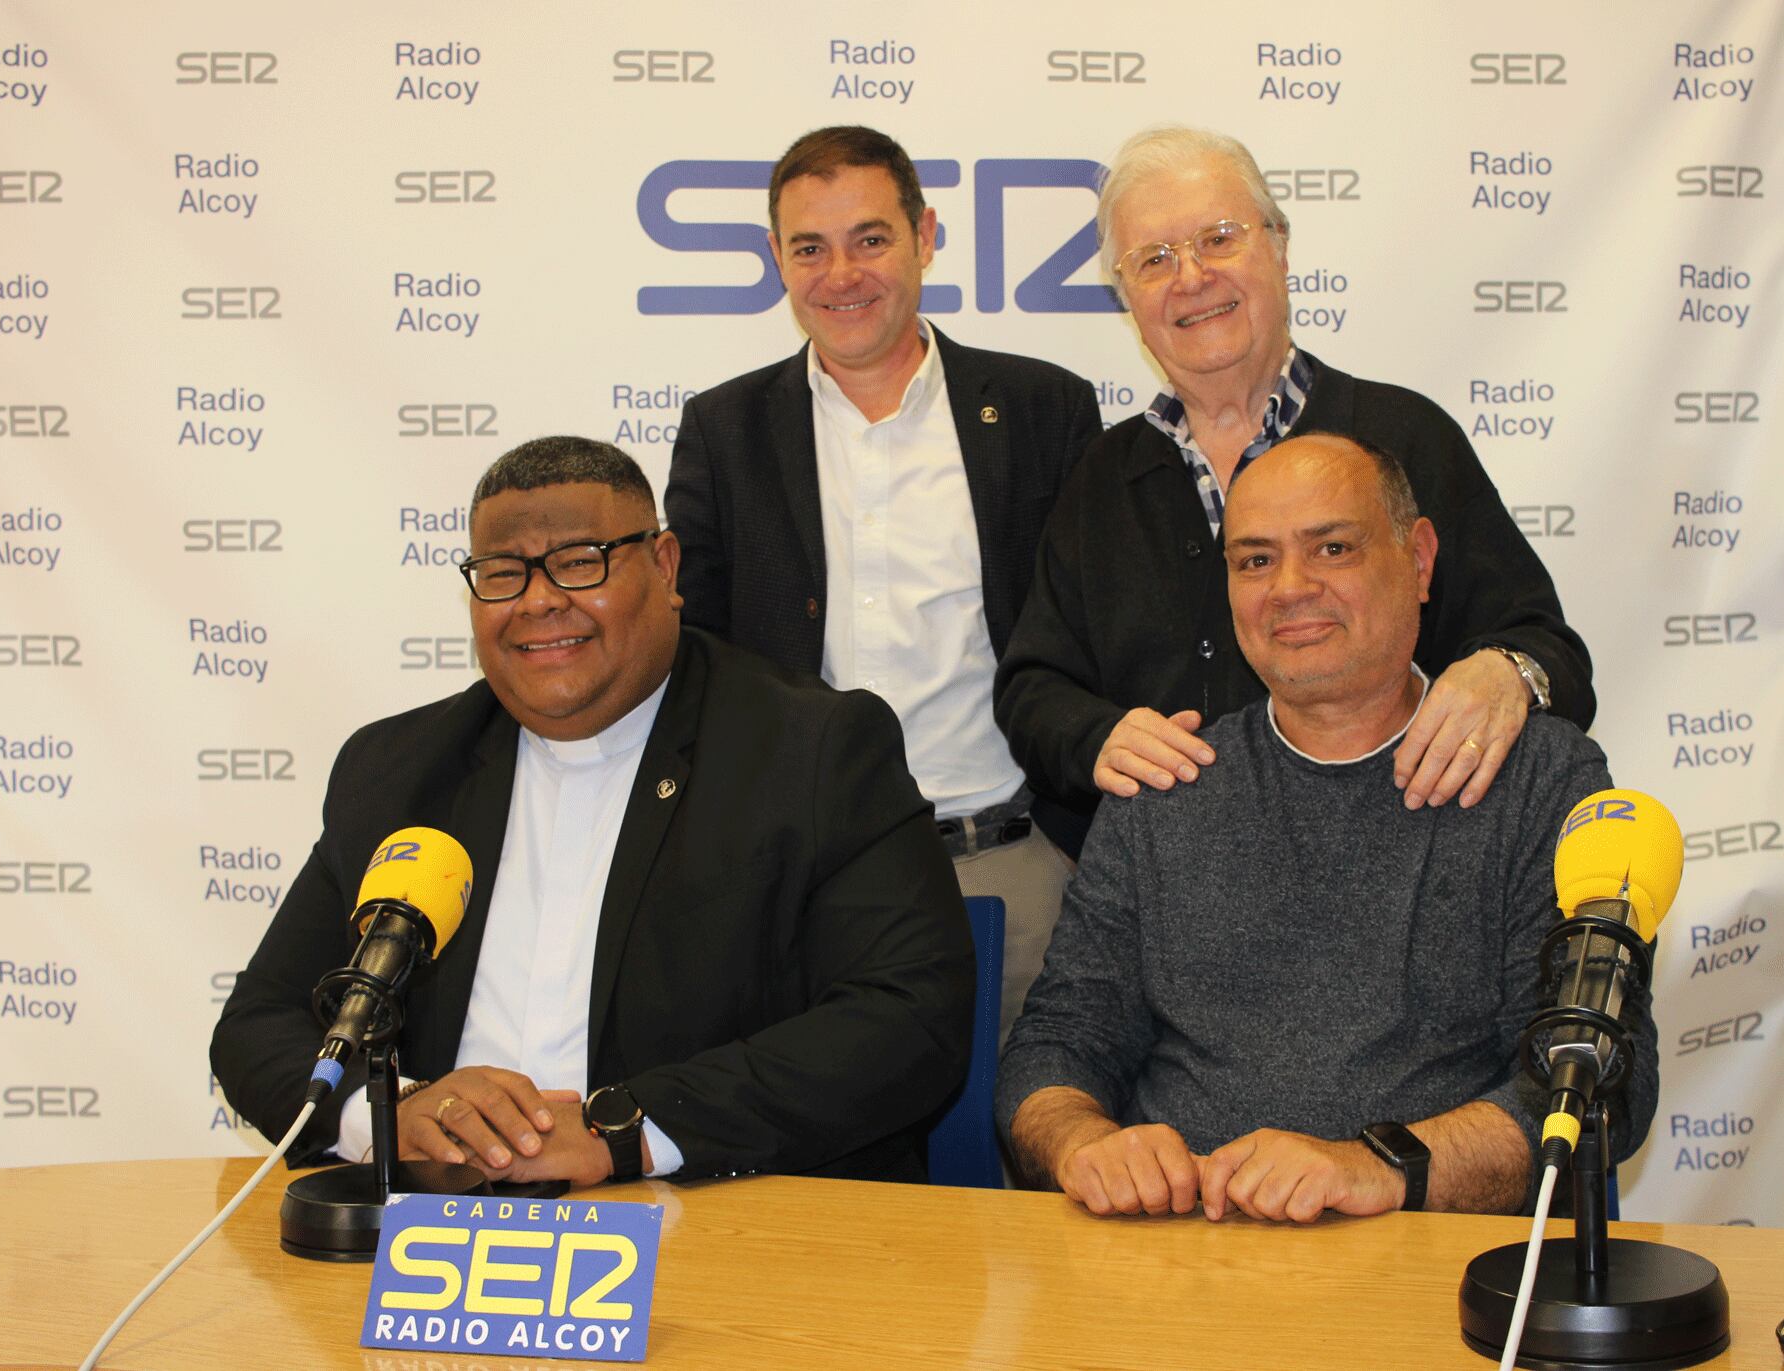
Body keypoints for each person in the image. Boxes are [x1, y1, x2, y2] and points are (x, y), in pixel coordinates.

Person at [212, 437, 973, 1186]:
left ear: (666, 566)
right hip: (436, 1249)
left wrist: (627, 1130)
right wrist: (392, 1115)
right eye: (503, 573)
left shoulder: (813, 749)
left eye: (580, 562)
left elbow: (909, 1019)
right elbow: (257, 1026)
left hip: (711, 1223)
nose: (539, 601)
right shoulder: (399, 769)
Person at [997, 433, 1655, 1220]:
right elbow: (1057, 1044)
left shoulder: (1535, 777)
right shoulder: (1165, 781)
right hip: (1182, 1267)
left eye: (1333, 547)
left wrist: (1379, 1167)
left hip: (1427, 1271)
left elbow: (1596, 1081)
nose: (1291, 588)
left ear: (1418, 560)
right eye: (1255, 560)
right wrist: (1083, 1142)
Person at [995, 126, 1593, 857]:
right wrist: (1095, 739)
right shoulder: (1103, 477)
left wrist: (1506, 673)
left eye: (1218, 238)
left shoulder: (1403, 437)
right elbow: (1033, 689)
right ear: (1128, 301)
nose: (1190, 277)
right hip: (1163, 901)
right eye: (1154, 259)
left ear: (1278, 246)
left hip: (1388, 884)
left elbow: (1548, 652)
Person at [666, 125, 1102, 1038]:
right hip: (805, 891)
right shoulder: (725, 430)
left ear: (926, 236)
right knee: (818, 1173)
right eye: (809, 248)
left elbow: (1093, 636)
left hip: (1014, 871)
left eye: (870, 238)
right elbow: (692, 662)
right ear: (776, 261)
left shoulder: (1042, 409)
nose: (842, 274)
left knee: (1026, 1157)